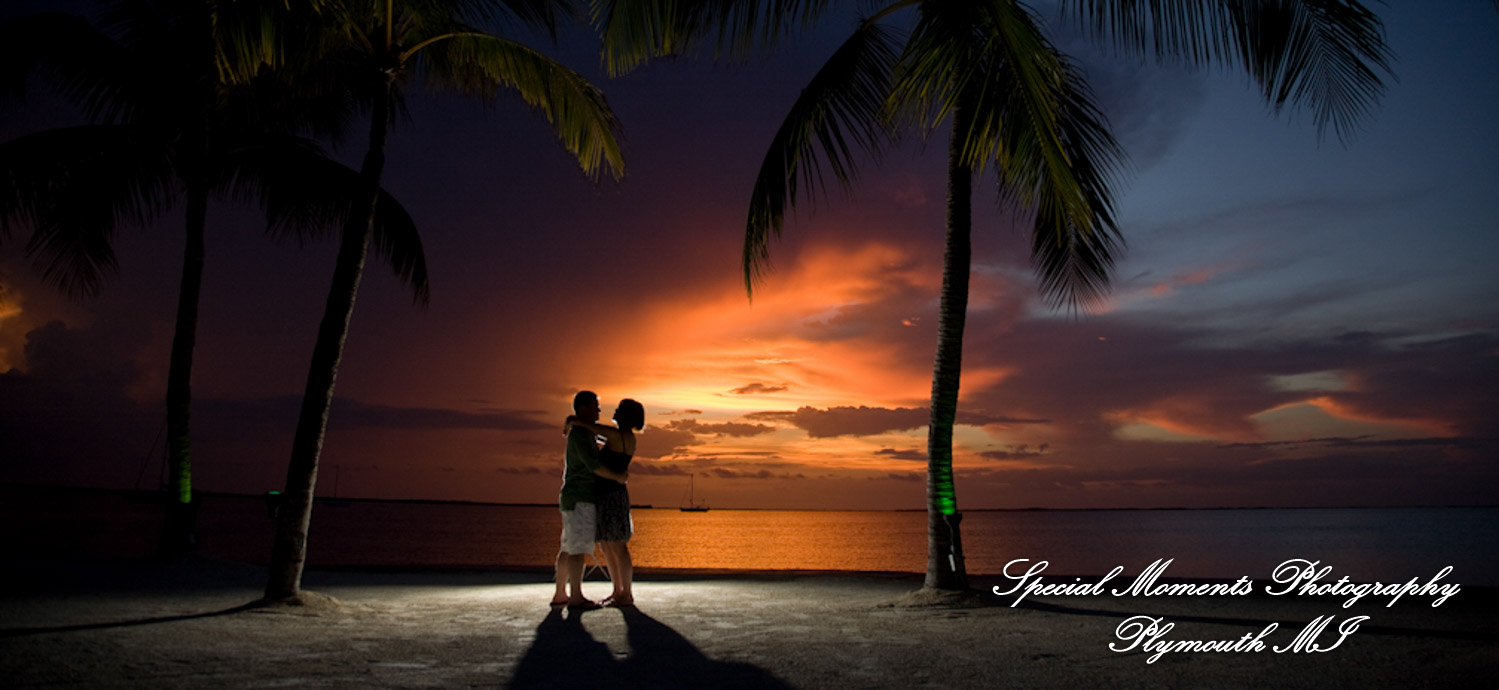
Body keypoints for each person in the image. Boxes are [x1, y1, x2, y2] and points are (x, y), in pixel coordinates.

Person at [566, 399, 645, 607]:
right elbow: (597, 433)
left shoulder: (619, 436)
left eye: (619, 409)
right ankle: (617, 590)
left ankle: (625, 593)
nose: (614, 411)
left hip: (612, 495)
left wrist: (574, 421)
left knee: (618, 546)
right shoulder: (620, 436)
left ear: (625, 415)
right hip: (608, 494)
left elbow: (593, 428)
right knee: (608, 545)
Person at [552, 391, 627, 608]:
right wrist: (618, 477)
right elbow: (594, 466)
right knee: (577, 549)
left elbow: (602, 439)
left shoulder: (583, 431)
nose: (599, 411)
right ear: (584, 408)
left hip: (572, 498)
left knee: (567, 547)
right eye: (595, 406)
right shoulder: (581, 434)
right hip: (581, 498)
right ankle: (575, 596)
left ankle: (560, 593)